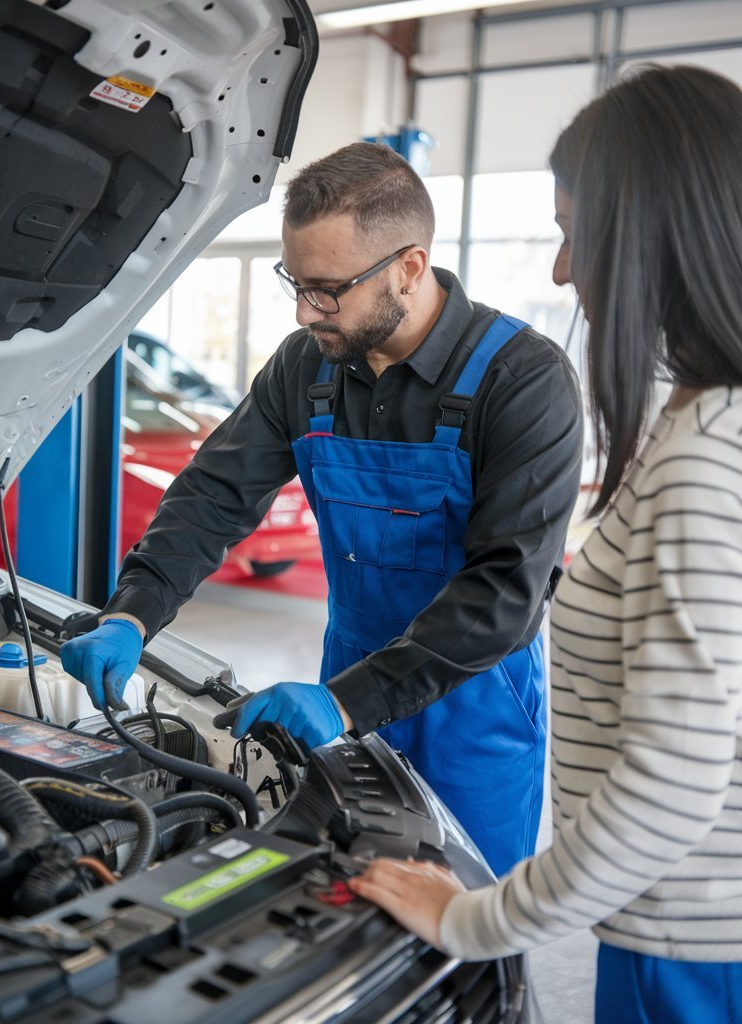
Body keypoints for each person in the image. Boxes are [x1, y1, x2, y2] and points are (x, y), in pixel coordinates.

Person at [61, 141, 583, 877]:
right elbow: (214, 494)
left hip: (475, 706)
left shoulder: (522, 380)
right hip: (343, 677)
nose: (308, 311)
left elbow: (506, 590)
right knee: (342, 898)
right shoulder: (305, 367)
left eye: (329, 289)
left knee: (467, 919)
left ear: (408, 267)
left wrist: (346, 702)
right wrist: (132, 610)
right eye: (296, 284)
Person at [347, 64, 742, 1024]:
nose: (564, 270)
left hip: (690, 949)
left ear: (652, 232)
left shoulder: (702, 460)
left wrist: (478, 917)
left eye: (574, 232)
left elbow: (669, 783)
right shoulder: (714, 425)